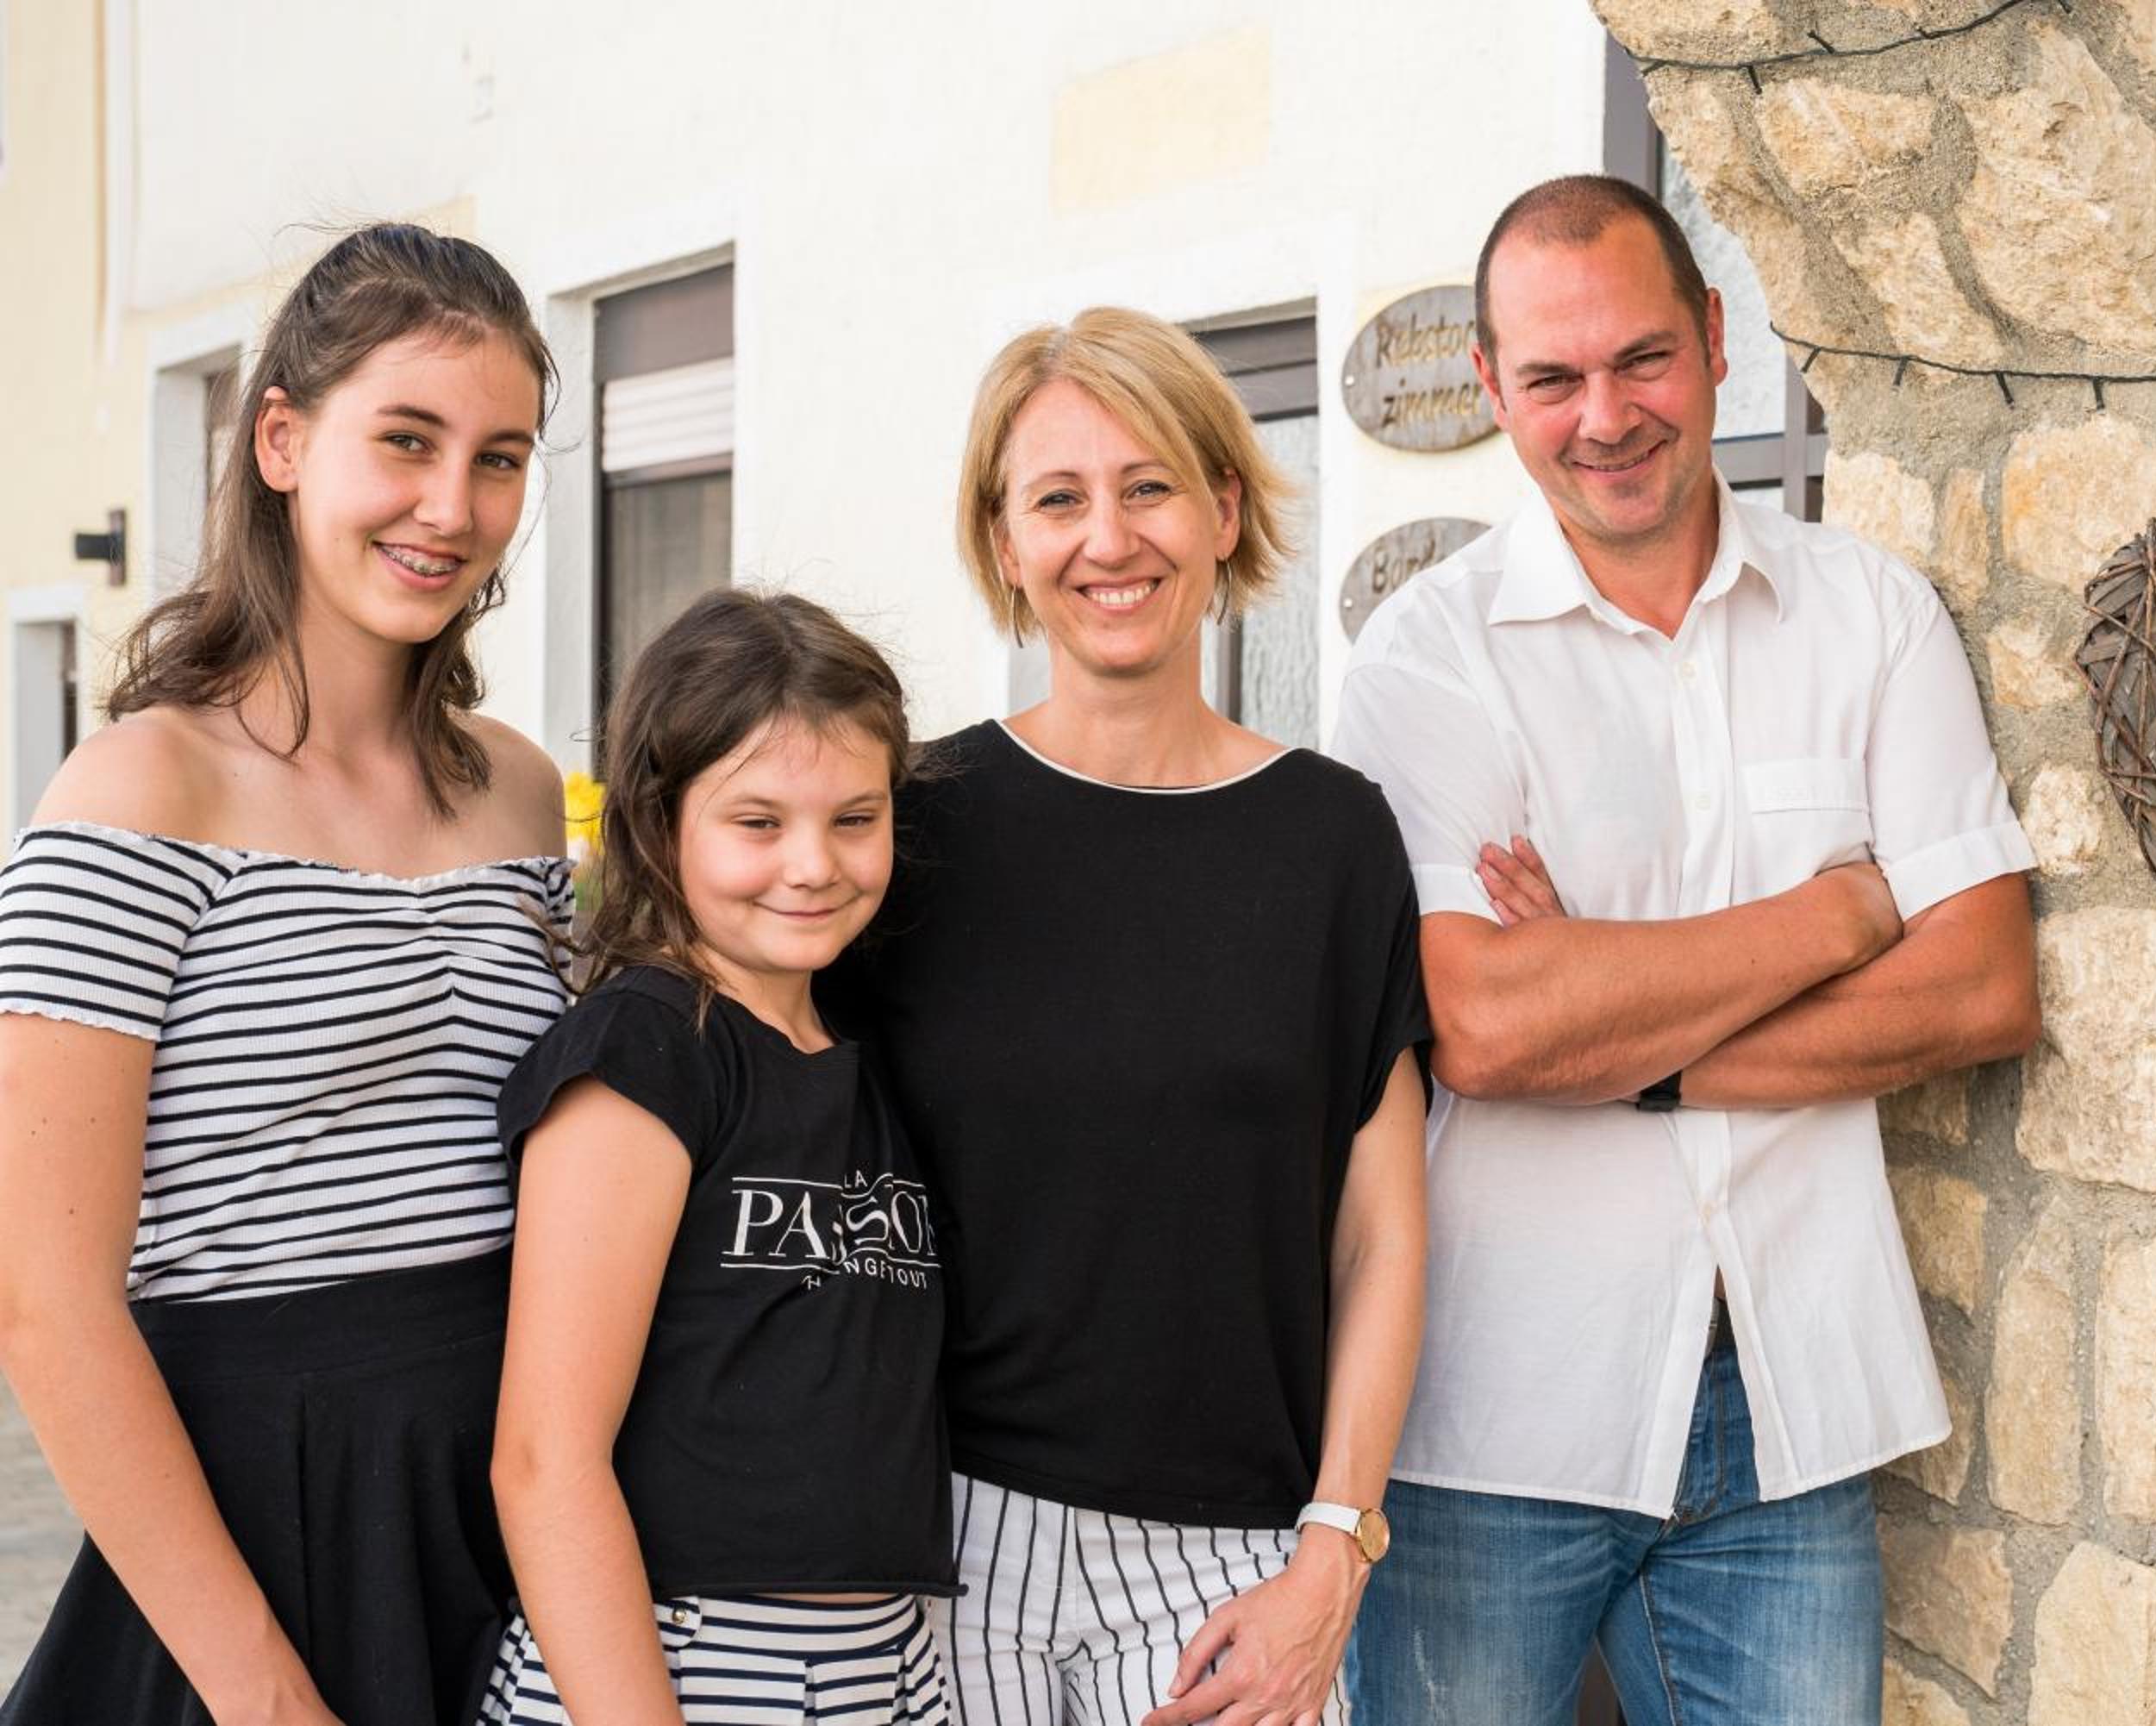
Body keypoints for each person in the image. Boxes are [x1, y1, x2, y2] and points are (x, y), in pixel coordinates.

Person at [1330, 175, 2042, 1725]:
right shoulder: (1427, 658)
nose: (1606, 416)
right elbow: (1488, 1028)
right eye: (1553, 377)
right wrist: (1836, 920)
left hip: (1790, 1400)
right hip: (1496, 1413)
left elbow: (1984, 984)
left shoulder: (1871, 616)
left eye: (1642, 358)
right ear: (1490, 387)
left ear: (1718, 339)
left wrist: (1621, 1032)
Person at [817, 306, 1428, 1726]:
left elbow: (1382, 1230)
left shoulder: (1333, 840)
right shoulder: (908, 827)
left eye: (1149, 486)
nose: (1110, 538)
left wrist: (1335, 1547)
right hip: (937, 1540)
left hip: (1233, 1566)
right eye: (1058, 499)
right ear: (1004, 541)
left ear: (1224, 511)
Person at [0, 224, 570, 1726]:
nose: (453, 507)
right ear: (282, 441)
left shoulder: (520, 791)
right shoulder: (139, 790)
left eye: (500, 458)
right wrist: (262, 1693)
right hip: (258, 1538)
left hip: (501, 1516)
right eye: (407, 440)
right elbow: (45, 1305)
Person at [478, 589, 953, 1725]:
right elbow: (544, 1460)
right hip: (682, 1660)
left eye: (854, 817)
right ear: (660, 822)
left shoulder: (862, 1053)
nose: (814, 864)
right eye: (758, 822)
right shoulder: (642, 1052)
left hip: (885, 1662)